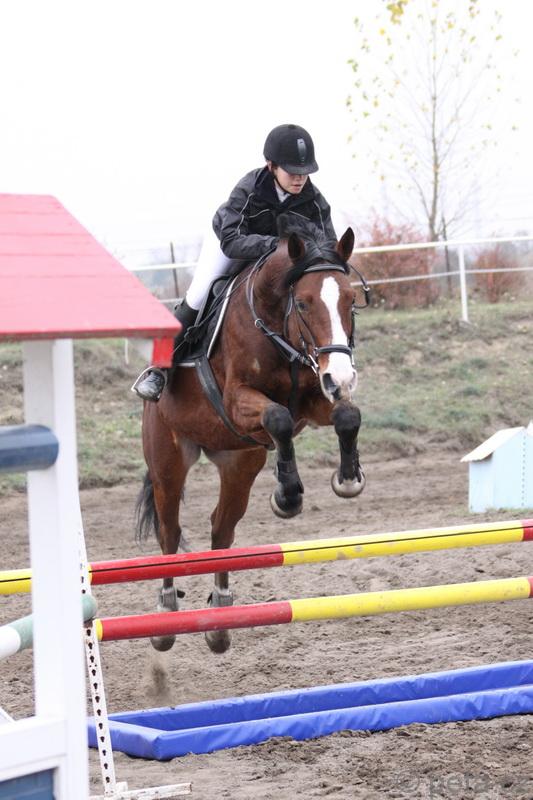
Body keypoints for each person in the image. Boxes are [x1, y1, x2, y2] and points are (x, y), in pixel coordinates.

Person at [133, 123, 337, 402]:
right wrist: (274, 246)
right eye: (292, 172)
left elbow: (329, 247)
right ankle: (158, 369)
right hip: (230, 246)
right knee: (199, 294)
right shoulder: (248, 189)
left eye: (305, 172)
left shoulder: (314, 201)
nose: (300, 179)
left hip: (281, 259)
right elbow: (231, 240)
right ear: (271, 166)